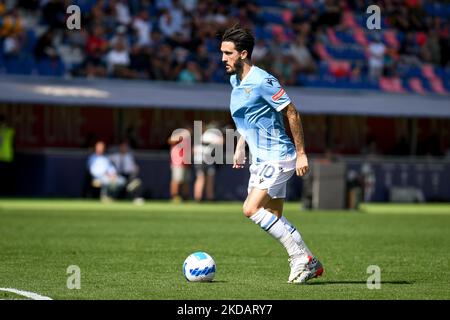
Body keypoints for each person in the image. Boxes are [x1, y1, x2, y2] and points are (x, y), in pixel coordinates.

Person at [220, 24, 323, 284]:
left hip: (279, 156)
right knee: (274, 217)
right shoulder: (235, 80)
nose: (223, 59)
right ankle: (311, 260)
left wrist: (301, 153)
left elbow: (292, 112)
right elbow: (247, 116)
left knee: (250, 209)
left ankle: (301, 259)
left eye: (228, 53)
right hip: (260, 159)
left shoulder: (264, 81)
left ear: (243, 54)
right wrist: (240, 145)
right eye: (222, 52)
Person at [193, 121, 224, 202]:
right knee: (208, 179)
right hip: (206, 160)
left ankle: (198, 198)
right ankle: (209, 197)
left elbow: (194, 150)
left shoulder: (202, 136)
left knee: (201, 178)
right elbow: (221, 141)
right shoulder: (211, 135)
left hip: (200, 160)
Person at [109, 140, 144, 204]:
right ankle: (112, 197)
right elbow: (107, 162)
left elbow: (133, 167)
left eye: (125, 147)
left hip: (128, 176)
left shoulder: (129, 156)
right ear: (120, 147)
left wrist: (135, 169)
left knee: (136, 182)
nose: (124, 148)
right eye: (123, 147)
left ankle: (136, 198)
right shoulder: (115, 156)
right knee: (115, 181)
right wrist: (111, 173)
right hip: (118, 175)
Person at [167, 127, 192, 202]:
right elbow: (170, 140)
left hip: (186, 163)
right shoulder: (179, 136)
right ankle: (174, 196)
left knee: (186, 181)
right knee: (176, 180)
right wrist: (181, 135)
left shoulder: (188, 140)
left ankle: (185, 197)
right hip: (177, 162)